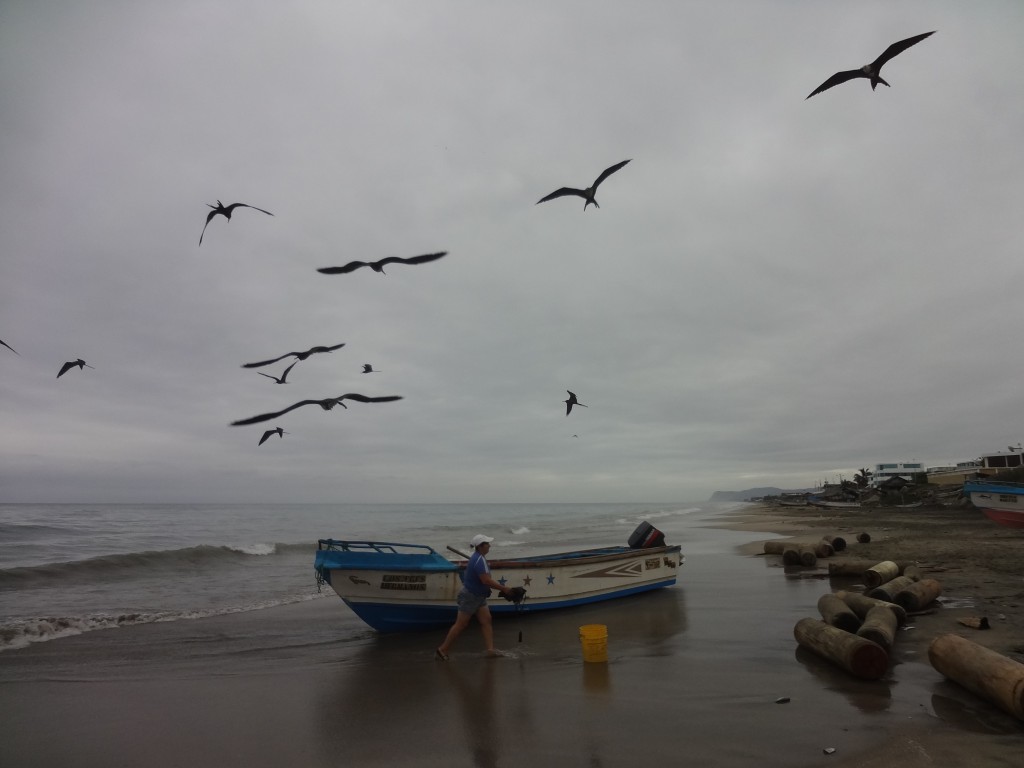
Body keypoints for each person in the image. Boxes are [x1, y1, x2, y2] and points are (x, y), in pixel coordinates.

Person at [436, 534, 514, 660]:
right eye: (487, 543)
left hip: (479, 596)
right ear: (481, 546)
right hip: (470, 596)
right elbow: (486, 581)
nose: (490, 545)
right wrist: (504, 588)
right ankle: (442, 649)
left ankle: (490, 650)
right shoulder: (478, 560)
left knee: (486, 620)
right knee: (461, 624)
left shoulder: (480, 558)